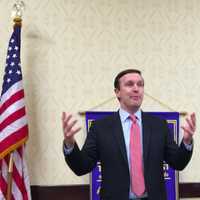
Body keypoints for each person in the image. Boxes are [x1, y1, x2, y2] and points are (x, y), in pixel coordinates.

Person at [62, 69, 196, 200]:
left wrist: (187, 141)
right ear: (117, 92)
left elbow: (178, 163)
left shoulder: (159, 126)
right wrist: (69, 144)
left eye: (140, 84)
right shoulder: (100, 128)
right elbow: (82, 166)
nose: (136, 88)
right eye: (129, 84)